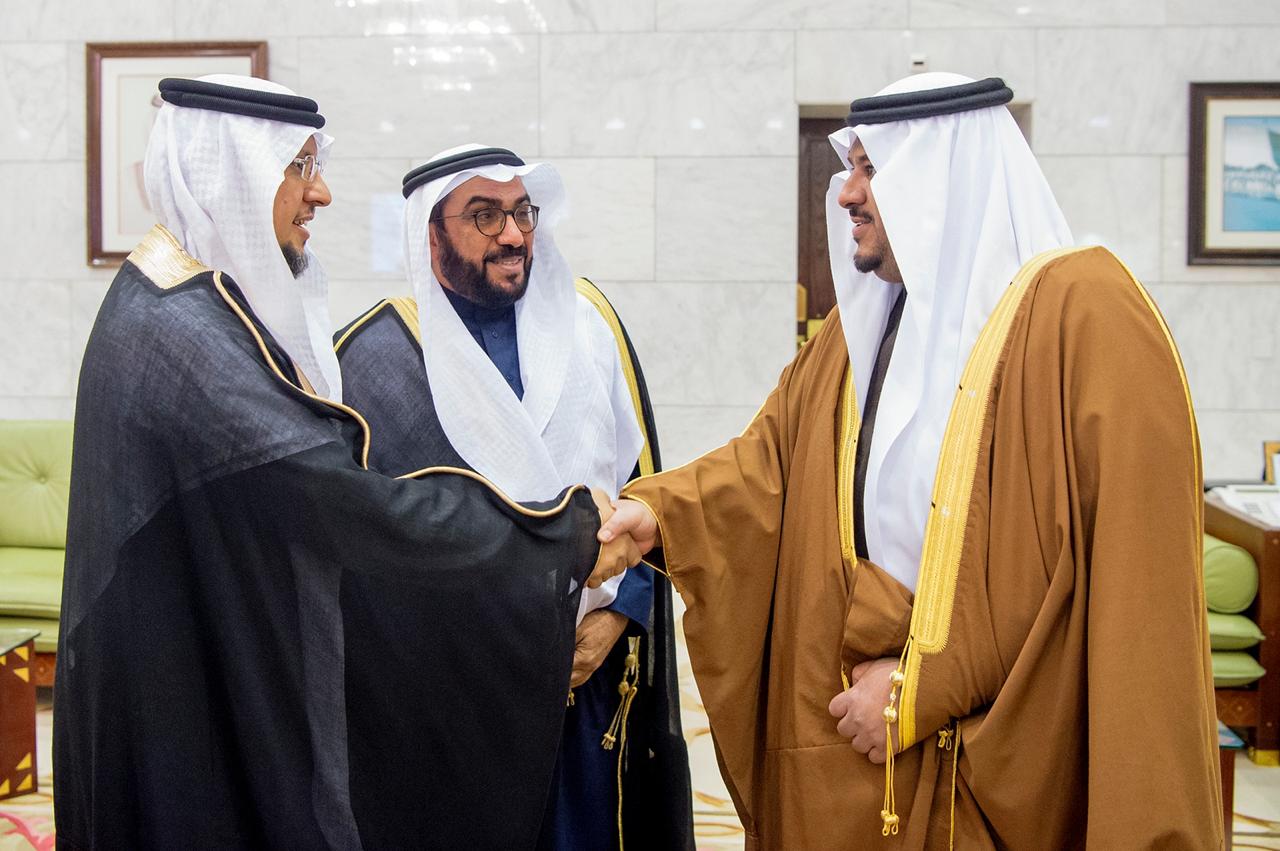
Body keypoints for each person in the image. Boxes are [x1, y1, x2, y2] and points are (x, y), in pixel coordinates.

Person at [599, 73, 1222, 848]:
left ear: (940, 178)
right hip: (849, 744)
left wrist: (922, 683)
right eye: (850, 167)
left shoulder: (1083, 317)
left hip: (999, 764)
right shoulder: (854, 333)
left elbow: (1121, 578)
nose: (846, 194)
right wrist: (658, 513)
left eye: (871, 169)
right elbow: (769, 465)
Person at [54, 75, 638, 850]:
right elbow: (350, 505)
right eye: (296, 166)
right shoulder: (183, 333)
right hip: (176, 687)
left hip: (199, 657)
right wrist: (565, 533)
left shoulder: (177, 300)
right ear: (227, 172)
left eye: (522, 212)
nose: (320, 191)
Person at [334, 144, 693, 851]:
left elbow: (640, 488)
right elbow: (362, 553)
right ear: (430, 233)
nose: (512, 234)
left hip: (587, 683)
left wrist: (620, 611)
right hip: (452, 705)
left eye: (522, 212)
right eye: (484, 215)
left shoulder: (589, 326)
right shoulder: (373, 358)